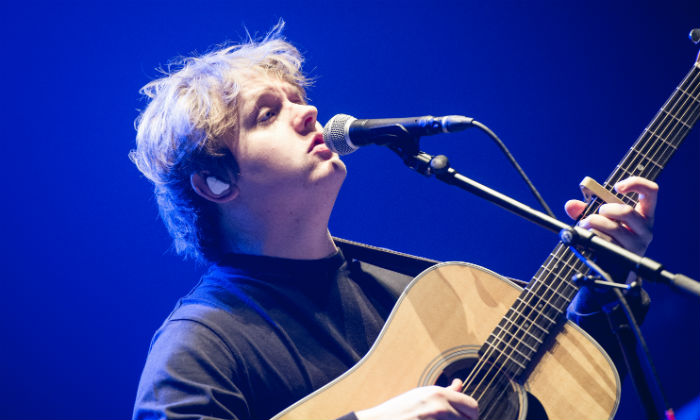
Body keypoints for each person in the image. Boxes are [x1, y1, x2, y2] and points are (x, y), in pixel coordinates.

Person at [130, 25, 657, 420]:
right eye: (267, 114)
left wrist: (603, 278)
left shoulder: (417, 293)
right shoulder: (200, 344)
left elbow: (570, 390)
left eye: (299, 98)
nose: (308, 112)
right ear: (215, 183)